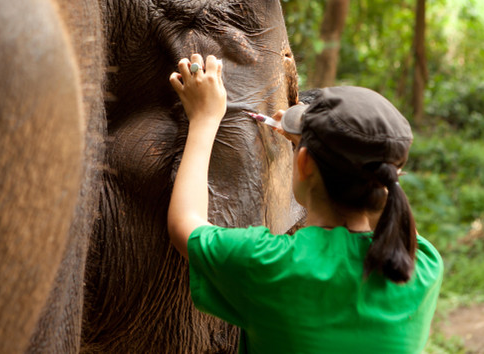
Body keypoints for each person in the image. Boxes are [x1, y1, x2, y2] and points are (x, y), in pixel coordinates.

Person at [168, 53, 443, 353]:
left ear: (304, 164)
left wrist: (204, 118)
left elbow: (185, 223)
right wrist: (309, 147)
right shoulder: (424, 265)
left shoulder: (273, 265)